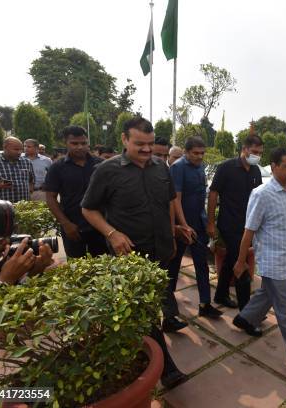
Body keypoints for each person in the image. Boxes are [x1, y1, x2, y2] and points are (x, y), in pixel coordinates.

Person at [81, 116, 187, 390]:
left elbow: (168, 204)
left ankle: (137, 348)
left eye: (150, 144)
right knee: (145, 308)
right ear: (124, 140)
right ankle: (166, 369)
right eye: (140, 144)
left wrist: (172, 233)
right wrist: (111, 233)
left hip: (161, 251)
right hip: (130, 256)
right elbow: (88, 209)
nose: (146, 150)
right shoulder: (106, 171)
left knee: (151, 306)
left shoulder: (161, 169)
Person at [232, 147, 286, 384]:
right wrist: (241, 261)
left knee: (268, 294)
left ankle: (245, 318)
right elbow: (248, 231)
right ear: (273, 166)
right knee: (285, 308)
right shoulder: (261, 194)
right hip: (272, 260)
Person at [169, 137, 223, 319]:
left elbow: (201, 196)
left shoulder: (200, 167)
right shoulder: (178, 168)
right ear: (186, 152)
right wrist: (183, 226)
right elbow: (175, 199)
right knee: (173, 267)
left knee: (202, 265)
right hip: (182, 226)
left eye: (202, 153)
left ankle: (205, 303)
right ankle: (168, 309)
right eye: (195, 153)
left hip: (198, 224)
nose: (200, 157)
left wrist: (208, 221)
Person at [208, 134, 264, 311]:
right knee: (241, 264)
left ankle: (221, 295)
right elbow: (213, 194)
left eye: (260, 153)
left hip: (247, 226)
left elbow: (259, 198)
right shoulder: (226, 168)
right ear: (244, 149)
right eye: (254, 151)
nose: (257, 155)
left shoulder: (255, 171)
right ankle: (247, 312)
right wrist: (210, 222)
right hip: (228, 224)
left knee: (231, 259)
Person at [44, 126, 108, 259]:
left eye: (83, 143)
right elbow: (50, 198)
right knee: (76, 267)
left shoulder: (102, 165)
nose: (80, 147)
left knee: (104, 266)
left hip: (100, 227)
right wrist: (65, 224)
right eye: (74, 143)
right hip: (73, 227)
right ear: (65, 143)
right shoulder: (57, 167)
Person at [0, 200, 53, 289]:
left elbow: (12, 296)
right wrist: (4, 280)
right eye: (0, 241)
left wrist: (35, 271)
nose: (7, 245)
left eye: (9, 238)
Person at [0, 137, 34, 203]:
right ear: (5, 148)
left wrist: (30, 190)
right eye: (16, 149)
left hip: (24, 206)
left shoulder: (27, 162)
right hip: (2, 207)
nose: (19, 152)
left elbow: (31, 180)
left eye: (21, 150)